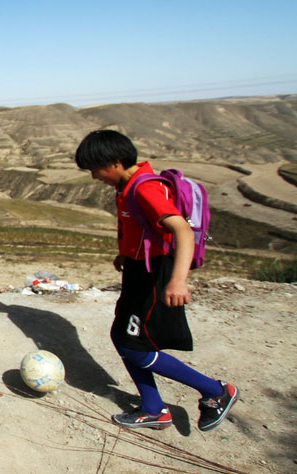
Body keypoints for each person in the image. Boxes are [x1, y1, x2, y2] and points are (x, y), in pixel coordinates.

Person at [75, 130, 238, 431]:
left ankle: (216, 391)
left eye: (96, 169)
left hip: (156, 275)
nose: (94, 176)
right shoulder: (126, 186)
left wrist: (178, 281)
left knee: (135, 346)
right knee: (121, 336)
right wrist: (127, 255)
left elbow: (182, 230)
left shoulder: (145, 188)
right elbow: (143, 230)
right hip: (138, 270)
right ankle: (153, 408)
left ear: (116, 162)